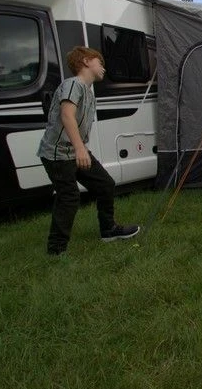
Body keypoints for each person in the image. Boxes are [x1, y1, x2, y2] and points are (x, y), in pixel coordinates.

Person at [37, 46, 140, 255]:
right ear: (86, 61)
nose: (103, 67)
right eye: (100, 62)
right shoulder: (73, 84)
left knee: (105, 184)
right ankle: (56, 250)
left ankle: (108, 230)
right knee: (69, 196)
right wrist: (80, 149)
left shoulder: (88, 92)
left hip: (75, 151)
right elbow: (67, 115)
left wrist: (81, 148)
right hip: (57, 154)